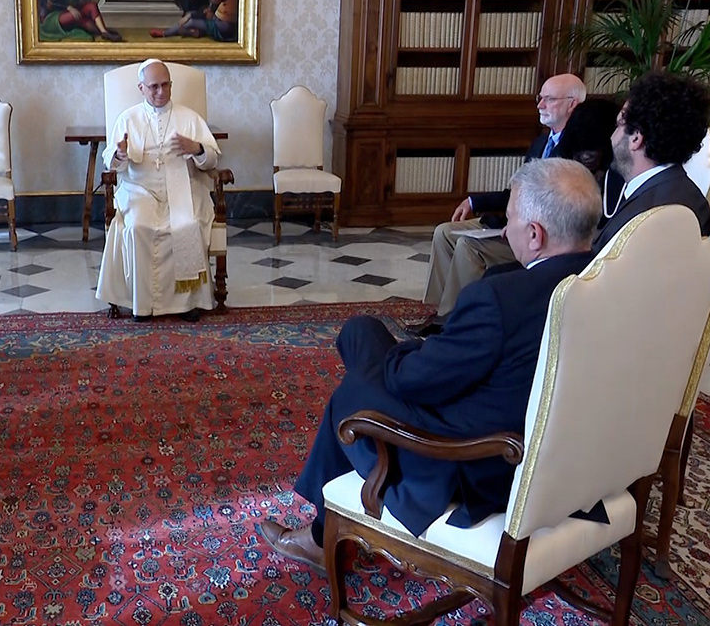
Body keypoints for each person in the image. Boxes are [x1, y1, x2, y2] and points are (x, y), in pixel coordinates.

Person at [261, 159, 601, 570]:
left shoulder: (503, 298)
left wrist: (410, 351)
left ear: (535, 234)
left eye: (509, 219)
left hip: (479, 460)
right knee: (361, 331)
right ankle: (326, 524)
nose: (505, 229)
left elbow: (412, 381)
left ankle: (321, 536)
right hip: (551, 446)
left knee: (352, 395)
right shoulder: (606, 284)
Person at [424, 74, 587, 315]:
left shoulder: (581, 150)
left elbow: (560, 208)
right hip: (513, 221)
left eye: (549, 99)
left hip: (539, 234)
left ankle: (454, 319)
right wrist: (474, 201)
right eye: (539, 98)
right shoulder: (541, 143)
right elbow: (516, 193)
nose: (540, 105)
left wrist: (517, 225)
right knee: (444, 233)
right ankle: (436, 310)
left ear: (572, 103)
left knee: (467, 247)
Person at [96, 59, 221, 322]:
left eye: (165, 85)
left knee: (187, 223)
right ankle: (142, 305)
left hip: (183, 189)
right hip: (139, 189)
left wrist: (196, 148)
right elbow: (111, 161)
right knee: (139, 227)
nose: (160, 92)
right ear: (141, 88)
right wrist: (120, 153)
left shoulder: (189, 118)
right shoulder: (128, 118)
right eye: (153, 87)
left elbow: (212, 159)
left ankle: (188, 303)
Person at [594, 71, 710, 251]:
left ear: (636, 138)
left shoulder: (646, 216)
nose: (611, 137)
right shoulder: (690, 197)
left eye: (618, 126)